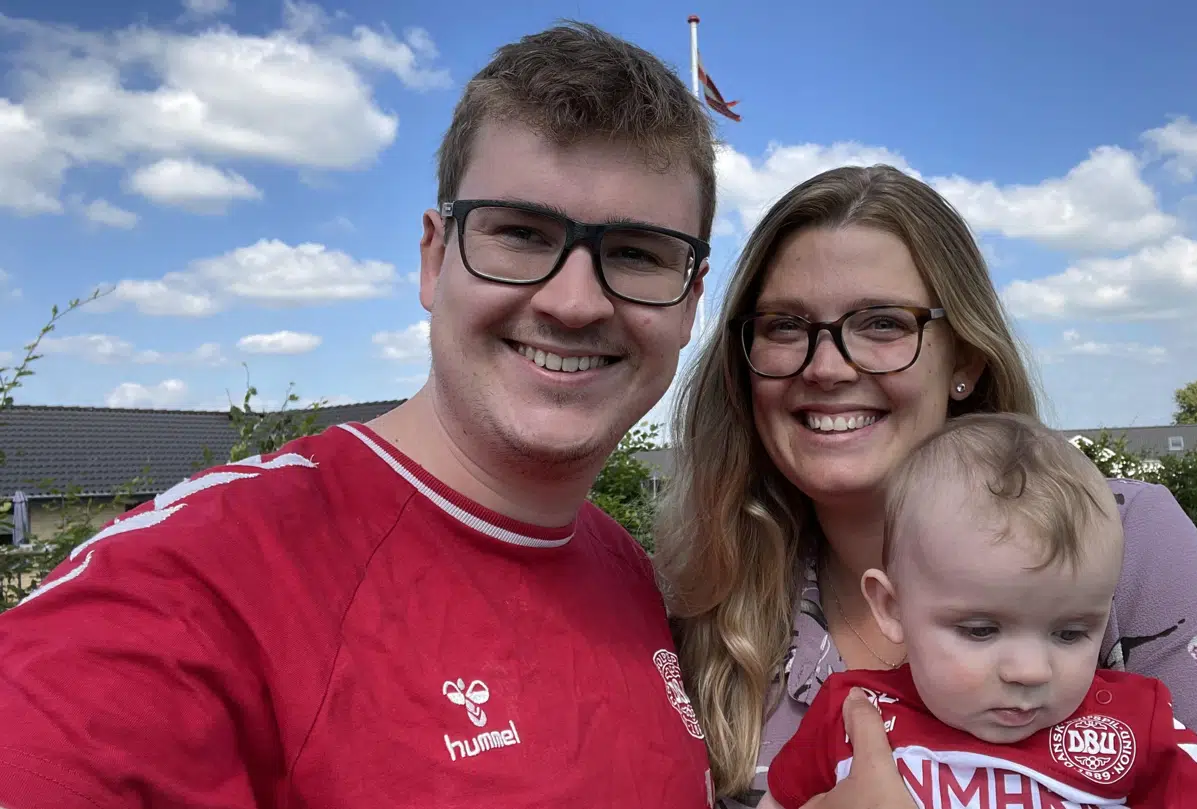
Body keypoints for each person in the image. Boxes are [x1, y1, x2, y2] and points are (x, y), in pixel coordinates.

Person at [0, 23, 721, 809]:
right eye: (520, 234)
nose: (575, 301)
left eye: (638, 253)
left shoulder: (628, 571)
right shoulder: (203, 578)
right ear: (433, 257)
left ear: (691, 302)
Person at [653, 164, 1197, 809]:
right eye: (785, 326)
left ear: (966, 361)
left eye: (883, 323)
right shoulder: (704, 593)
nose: (827, 365)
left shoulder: (1126, 541)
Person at [761, 412, 1197, 809]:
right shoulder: (852, 714)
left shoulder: (1130, 725)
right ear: (891, 607)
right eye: (982, 630)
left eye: (1072, 634)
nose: (1031, 670)